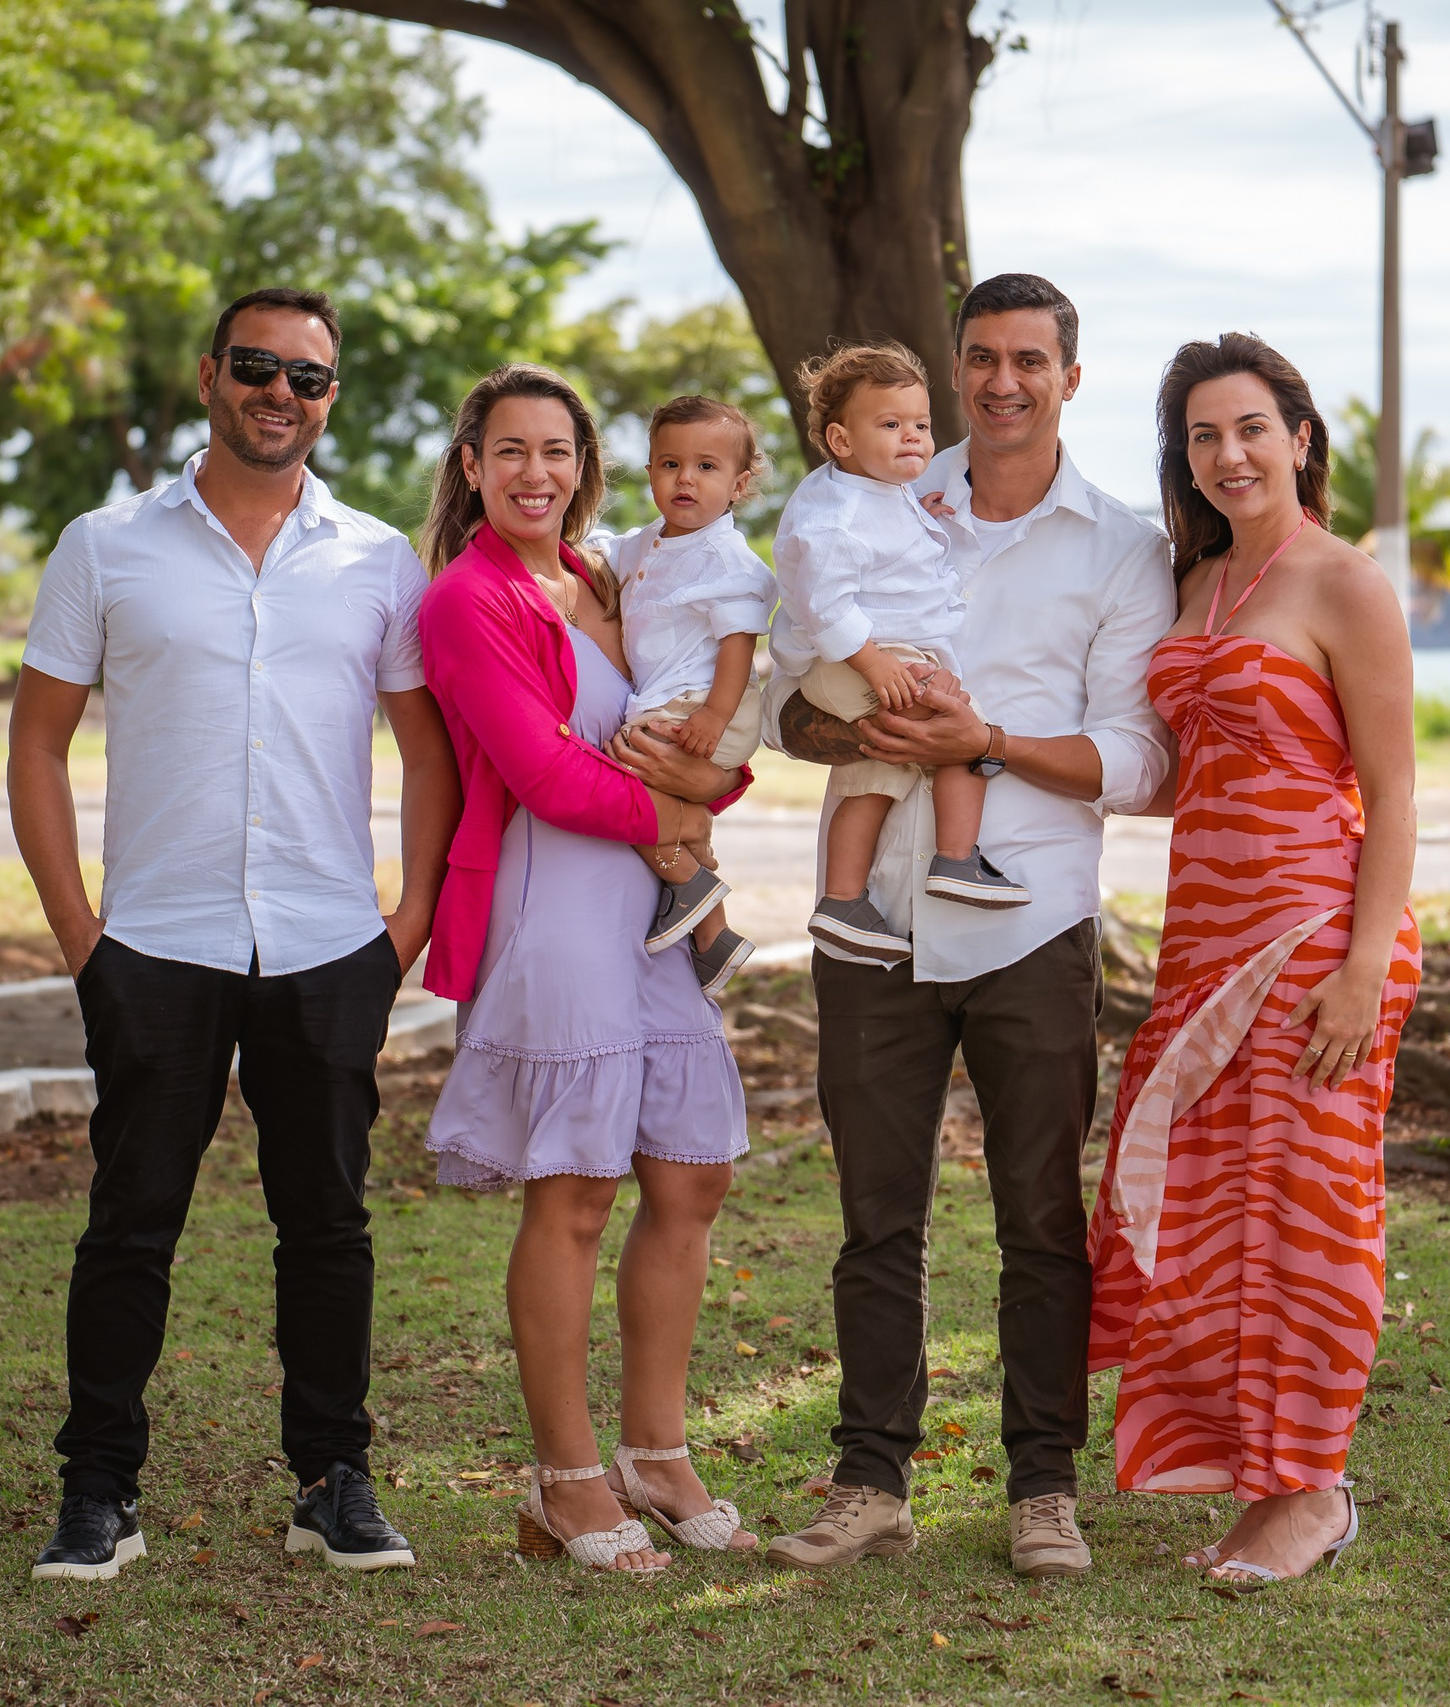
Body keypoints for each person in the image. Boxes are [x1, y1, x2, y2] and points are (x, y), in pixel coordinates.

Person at [7, 287, 456, 1582]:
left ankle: (333, 1478)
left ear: (332, 400)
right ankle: (98, 1488)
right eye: (256, 367)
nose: (281, 393)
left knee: (328, 1225)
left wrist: (405, 922)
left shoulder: (379, 559)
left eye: (307, 377)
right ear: (210, 375)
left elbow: (426, 753)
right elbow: (36, 743)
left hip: (327, 946)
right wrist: (80, 935)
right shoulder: (106, 544)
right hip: (154, 942)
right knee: (129, 1221)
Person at [761, 275, 1176, 1580]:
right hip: (874, 922)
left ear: (1069, 376)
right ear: (955, 369)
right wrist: (855, 727)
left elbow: (1140, 759)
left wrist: (981, 738)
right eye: (983, 359)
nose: (1004, 382)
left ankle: (1043, 1486)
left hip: (1031, 921)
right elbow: (786, 705)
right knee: (876, 1215)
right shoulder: (873, 496)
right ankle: (870, 1477)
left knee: (1039, 1217)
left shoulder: (1120, 546)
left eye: (1030, 361)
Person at [1085, 332, 1420, 1588]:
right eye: (1203, 436)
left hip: (1316, 935)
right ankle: (1256, 1484)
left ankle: (1312, 1494)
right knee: (1214, 1214)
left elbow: (1390, 796)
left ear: (1300, 437)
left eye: (1250, 429)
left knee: (1309, 1213)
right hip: (1202, 942)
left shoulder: (1343, 582)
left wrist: (1361, 963)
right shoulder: (1195, 583)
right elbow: (1180, 774)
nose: (1229, 454)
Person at [415, 364, 761, 1575]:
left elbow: (712, 731)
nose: (535, 474)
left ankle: (654, 1455)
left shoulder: (606, 575)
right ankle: (564, 1480)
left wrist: (704, 790)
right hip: (554, 897)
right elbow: (542, 775)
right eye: (509, 451)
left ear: (584, 467)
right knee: (574, 1189)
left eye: (557, 451)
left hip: (647, 907)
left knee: (692, 1172)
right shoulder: (466, 601)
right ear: (470, 467)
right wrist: (676, 813)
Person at [772, 342, 1026, 967]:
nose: (913, 438)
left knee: (877, 772)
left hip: (873, 652)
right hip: (858, 656)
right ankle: (958, 860)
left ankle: (842, 900)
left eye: (920, 425)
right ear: (840, 438)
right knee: (957, 729)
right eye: (890, 425)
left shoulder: (879, 491)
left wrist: (924, 516)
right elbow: (827, 602)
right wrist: (874, 665)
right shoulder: (835, 515)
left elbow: (886, 547)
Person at [601, 395, 777, 995]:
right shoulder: (647, 542)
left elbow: (738, 647)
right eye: (669, 464)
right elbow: (600, 550)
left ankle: (692, 884)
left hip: (704, 702)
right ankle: (713, 934)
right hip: (676, 699)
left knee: (617, 779)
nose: (686, 479)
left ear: (739, 484)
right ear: (650, 471)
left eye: (707, 467)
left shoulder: (725, 558)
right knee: (646, 791)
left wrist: (714, 714)